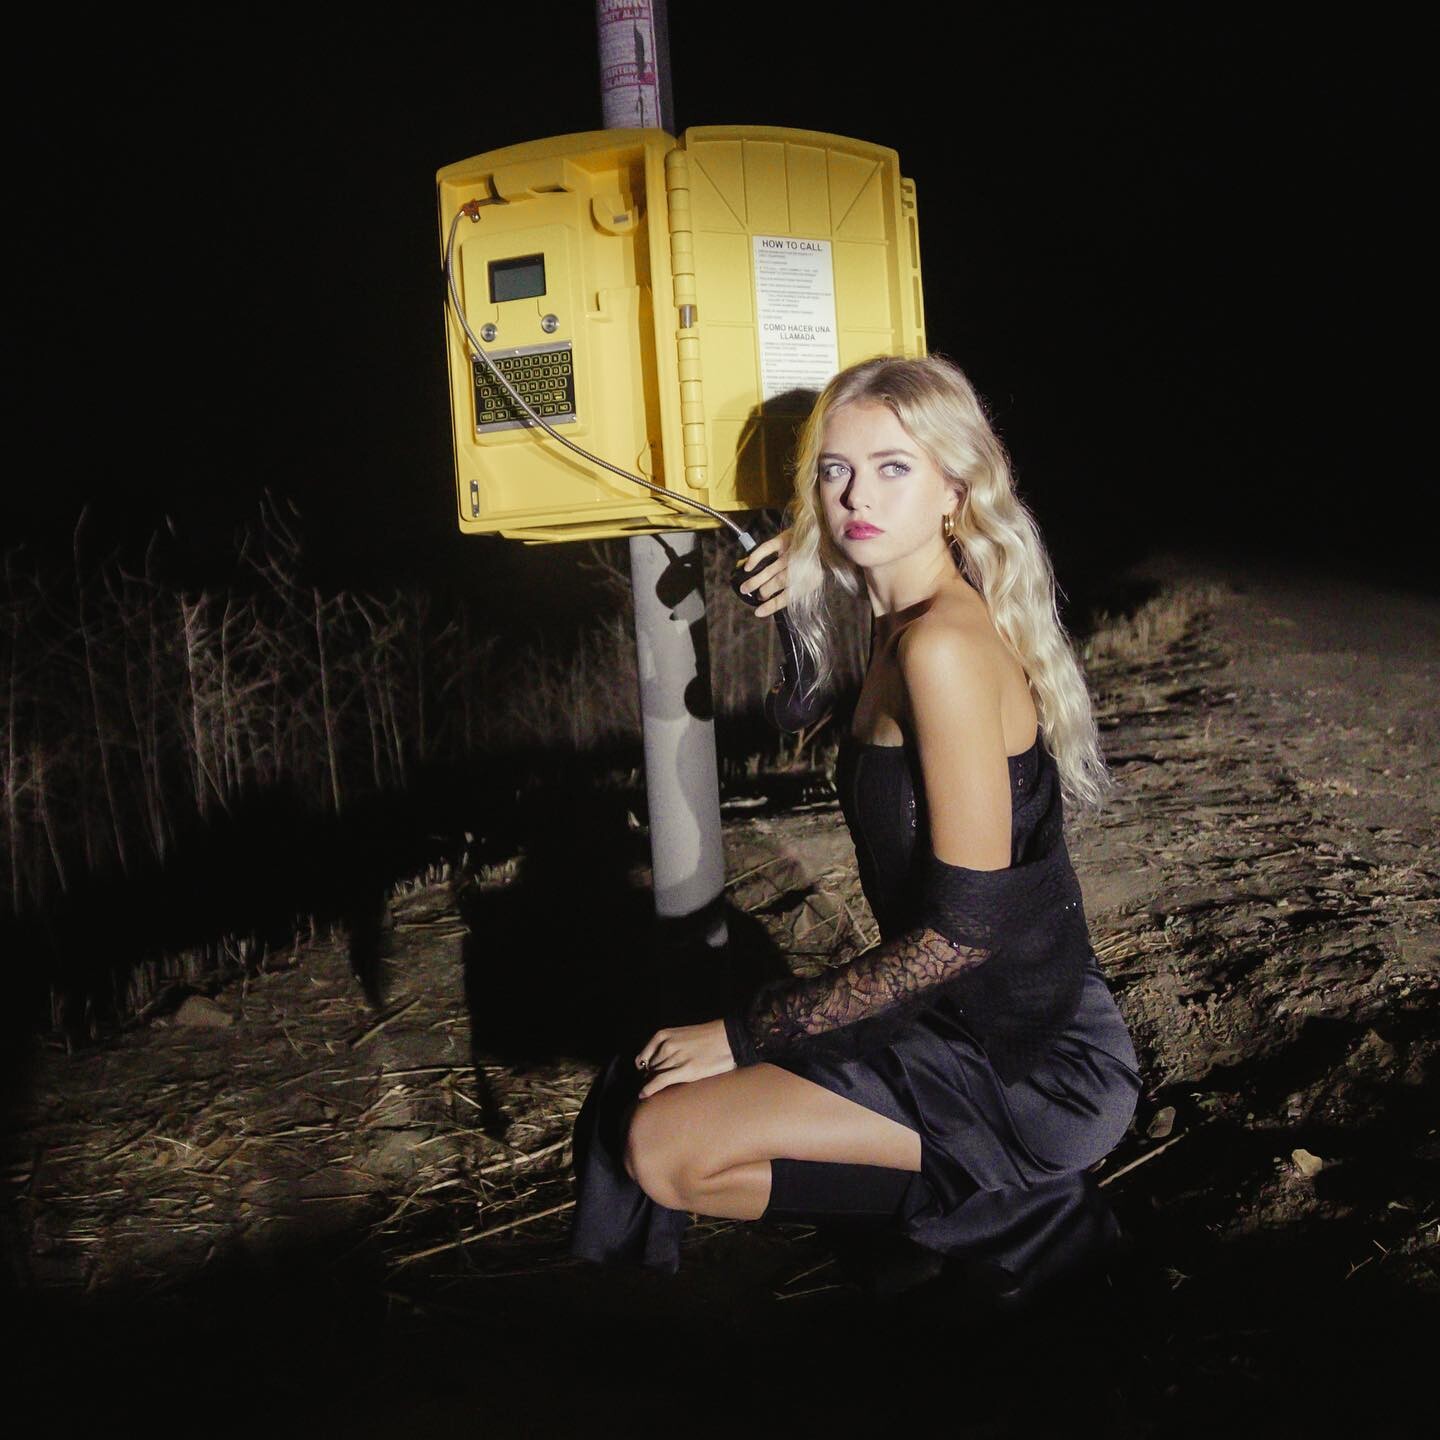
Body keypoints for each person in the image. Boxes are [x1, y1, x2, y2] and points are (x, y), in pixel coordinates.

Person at [569, 354, 1141, 1302]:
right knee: (657, 1130)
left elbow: (965, 933)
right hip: (951, 1018)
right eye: (834, 470)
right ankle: (966, 1229)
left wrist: (746, 1035)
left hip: (1029, 1062)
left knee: (665, 1145)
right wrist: (811, 575)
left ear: (955, 490)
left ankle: (1038, 1221)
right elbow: (796, 709)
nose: (855, 497)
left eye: (892, 468)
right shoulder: (897, 620)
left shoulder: (943, 647)